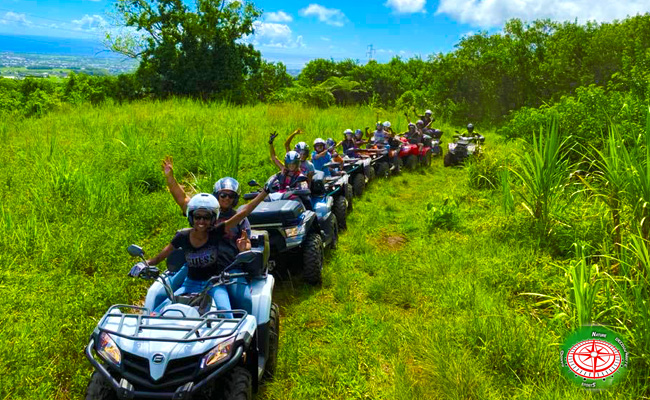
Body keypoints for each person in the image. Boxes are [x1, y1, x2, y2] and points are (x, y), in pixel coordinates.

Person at [143, 189, 269, 317]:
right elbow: (160, 256)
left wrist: (265, 192)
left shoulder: (216, 232)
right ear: (191, 217)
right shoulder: (182, 236)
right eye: (198, 217)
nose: (201, 221)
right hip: (189, 283)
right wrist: (146, 263)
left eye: (206, 217)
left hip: (214, 284)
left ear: (213, 219)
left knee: (226, 313)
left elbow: (243, 213)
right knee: (159, 311)